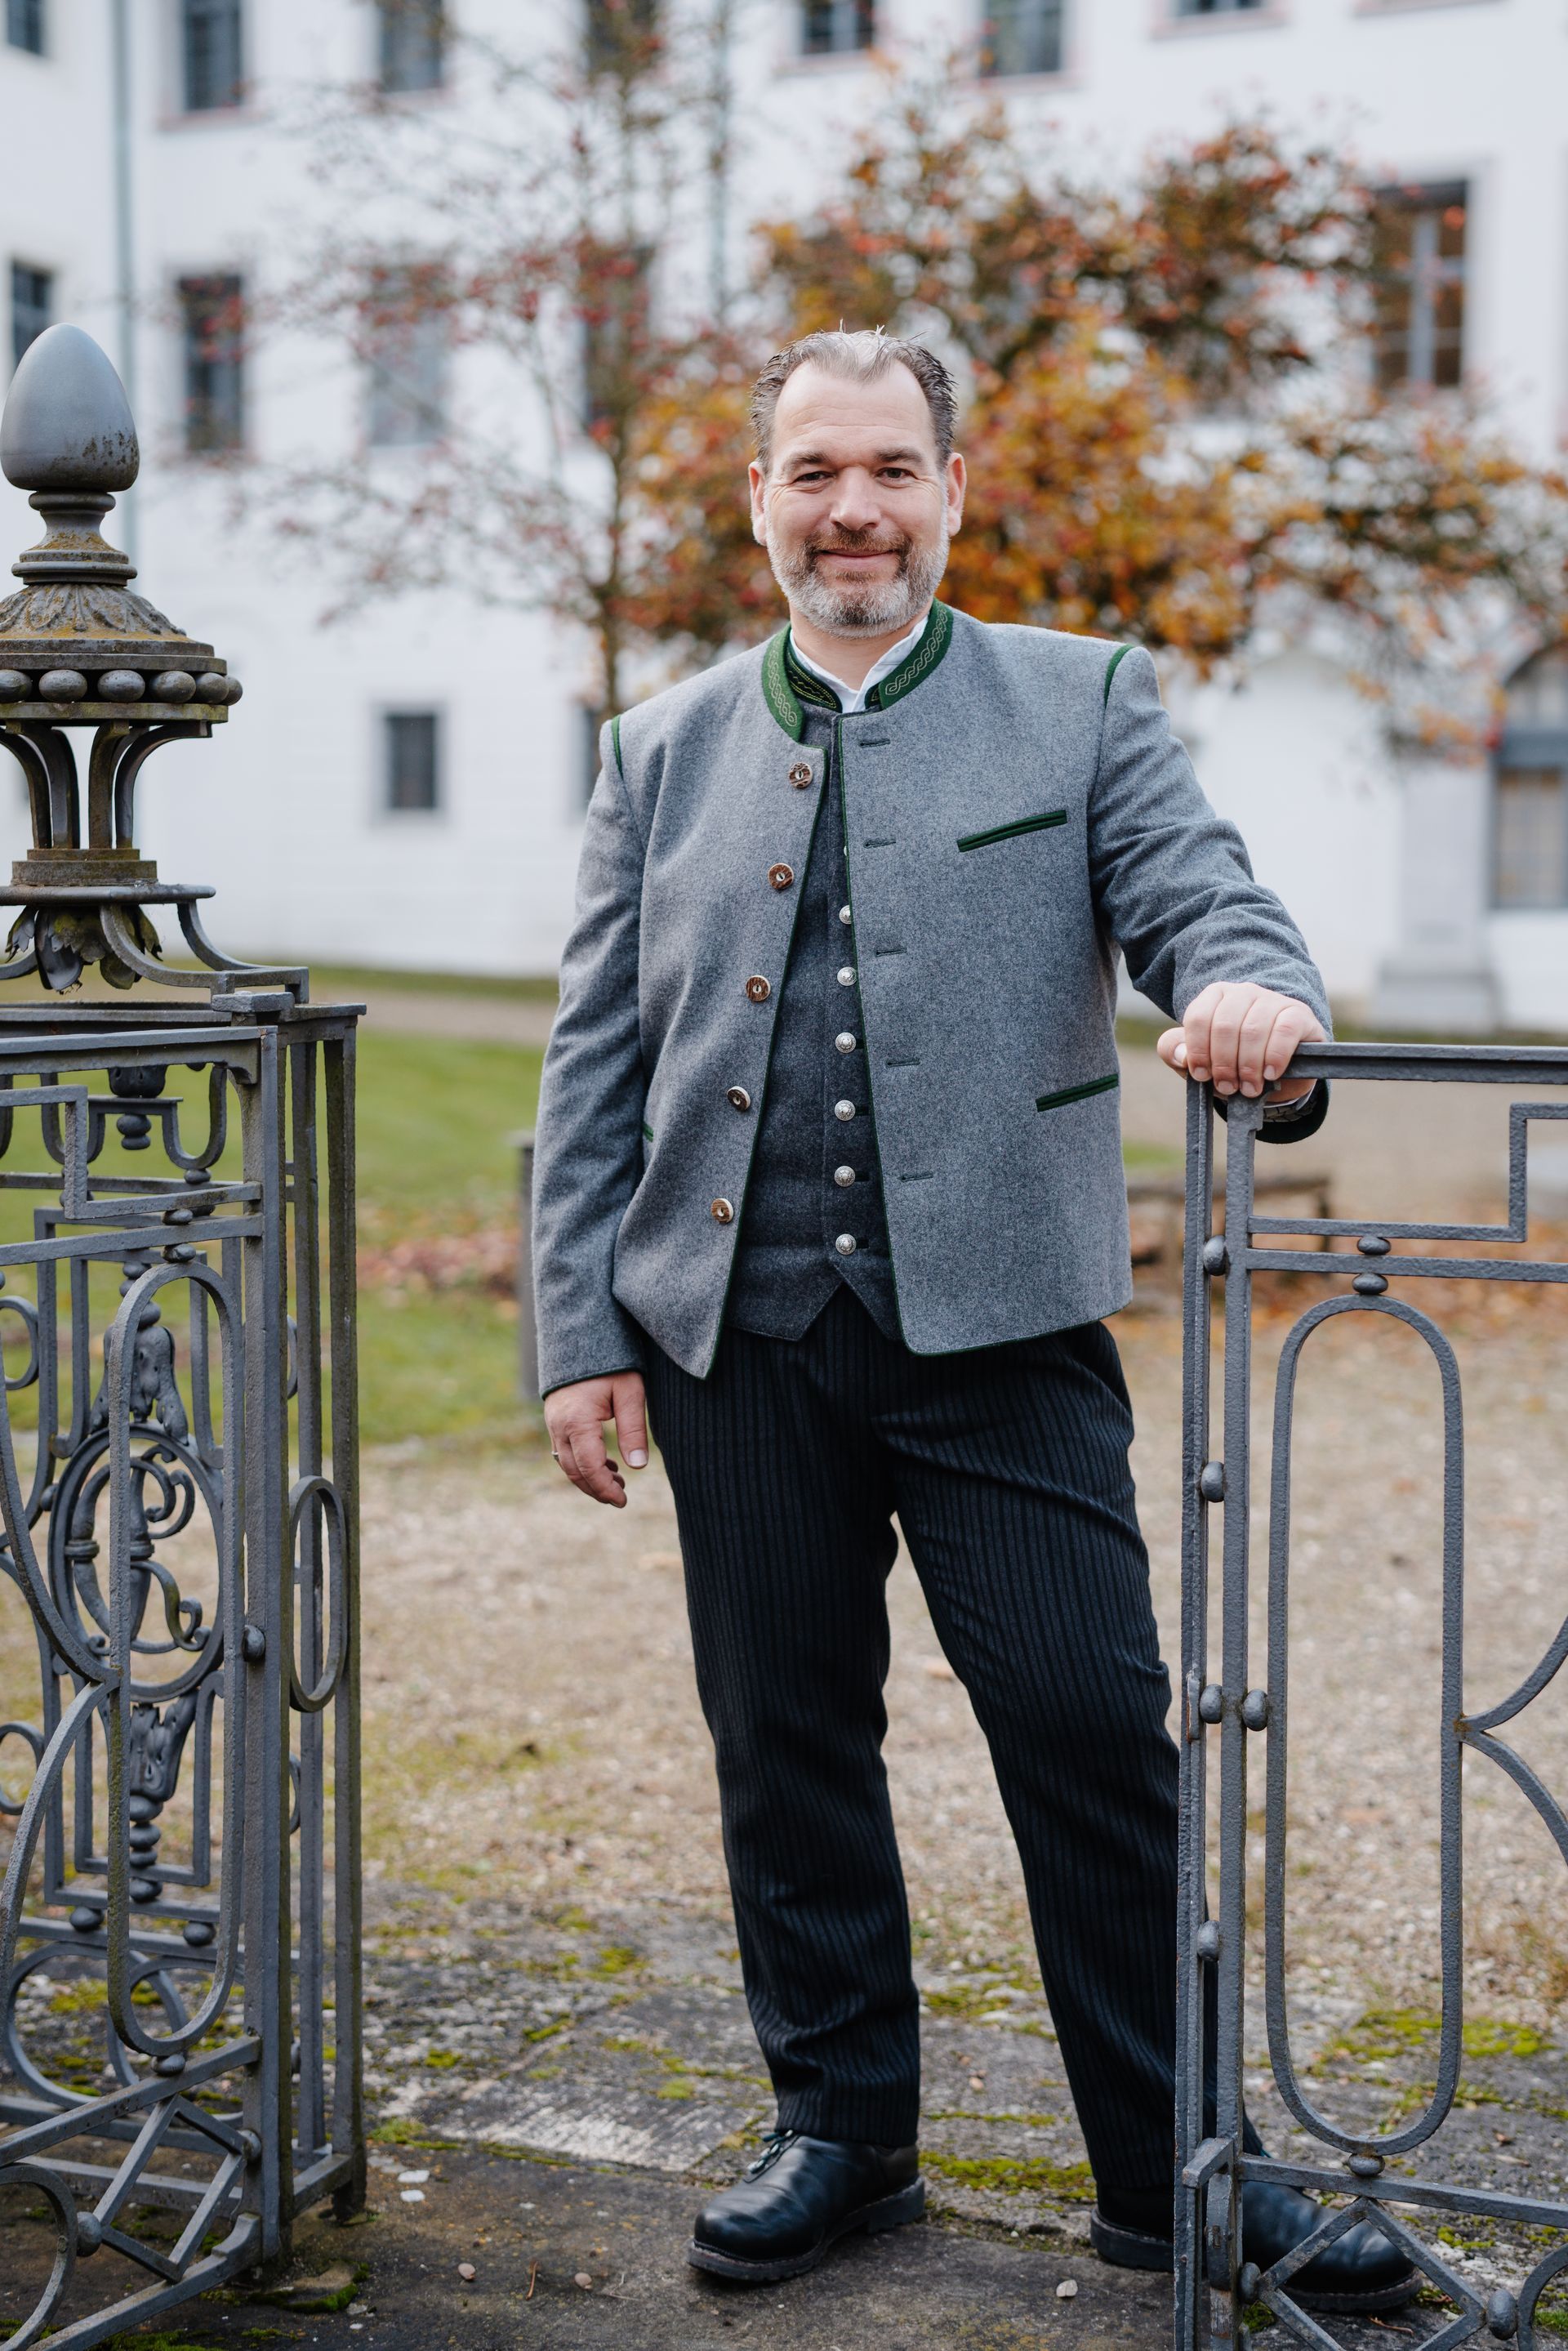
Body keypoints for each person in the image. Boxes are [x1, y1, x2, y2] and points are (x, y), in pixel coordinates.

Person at [532, 329, 1414, 2316]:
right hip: (732, 1336)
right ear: (760, 497)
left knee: (1096, 1729)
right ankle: (842, 2128)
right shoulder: (654, 741)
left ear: (952, 488)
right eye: (814, 470)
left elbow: (1207, 902)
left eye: (891, 469)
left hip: (1002, 1326)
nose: (854, 506)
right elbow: (596, 1062)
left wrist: (1261, 1006)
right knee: (784, 1740)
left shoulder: (1081, 698)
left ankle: (1175, 2167)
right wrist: (580, 1330)